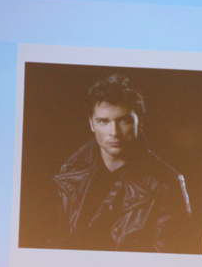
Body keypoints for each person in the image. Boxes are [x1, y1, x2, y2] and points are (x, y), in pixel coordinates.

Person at [50, 73, 192, 252]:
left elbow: (168, 259)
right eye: (103, 121)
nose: (114, 132)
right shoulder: (68, 173)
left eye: (124, 121)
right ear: (91, 124)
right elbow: (54, 246)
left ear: (139, 121)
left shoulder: (166, 183)